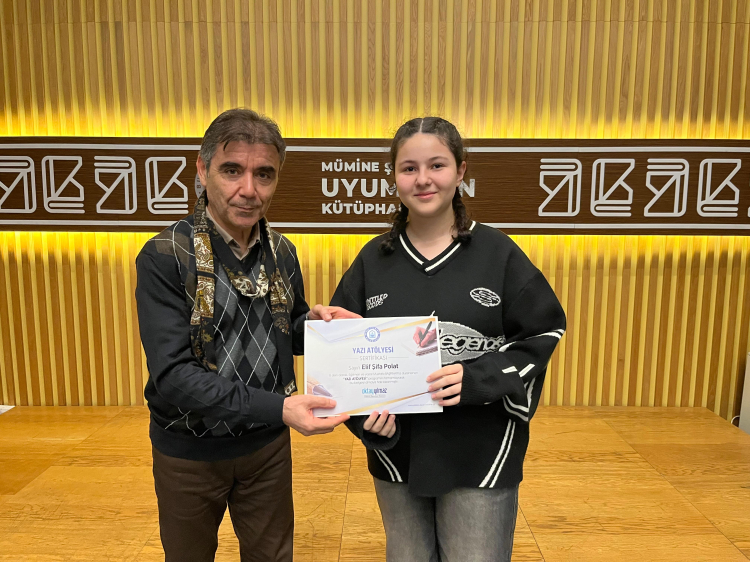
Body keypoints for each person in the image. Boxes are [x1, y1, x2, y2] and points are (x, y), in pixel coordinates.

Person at [330, 117, 566, 561]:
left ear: (460, 172)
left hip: (482, 452)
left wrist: (478, 379)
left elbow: (543, 331)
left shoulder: (498, 253)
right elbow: (344, 361)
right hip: (397, 453)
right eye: (409, 168)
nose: (423, 179)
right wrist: (366, 423)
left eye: (436, 165)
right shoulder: (372, 260)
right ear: (394, 177)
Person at [135, 108, 355, 562]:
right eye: (232, 170)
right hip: (189, 452)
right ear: (202, 171)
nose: (249, 190)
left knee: (272, 556)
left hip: (265, 448)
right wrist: (282, 408)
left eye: (264, 174)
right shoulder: (165, 255)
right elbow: (174, 377)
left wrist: (320, 328)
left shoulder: (282, 250)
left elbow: (284, 330)